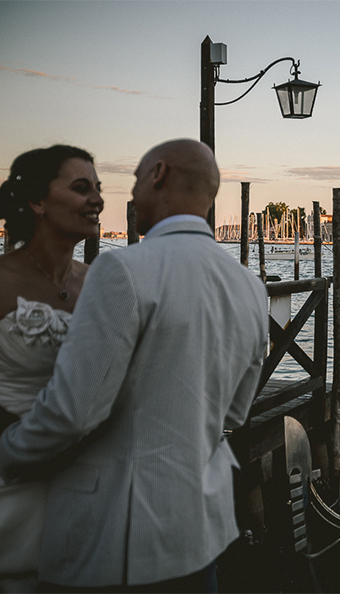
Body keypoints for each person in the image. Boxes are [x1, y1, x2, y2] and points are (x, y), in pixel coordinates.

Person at [0, 139, 267, 591]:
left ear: (159, 174)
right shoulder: (250, 285)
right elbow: (235, 413)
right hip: (199, 527)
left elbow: (74, 412)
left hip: (116, 531)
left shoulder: (121, 270)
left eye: (135, 179)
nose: (116, 198)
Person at [0, 145, 105, 590]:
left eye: (98, 188)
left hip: (92, 487)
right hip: (14, 483)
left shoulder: (103, 282)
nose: (97, 200)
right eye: (81, 188)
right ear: (37, 202)